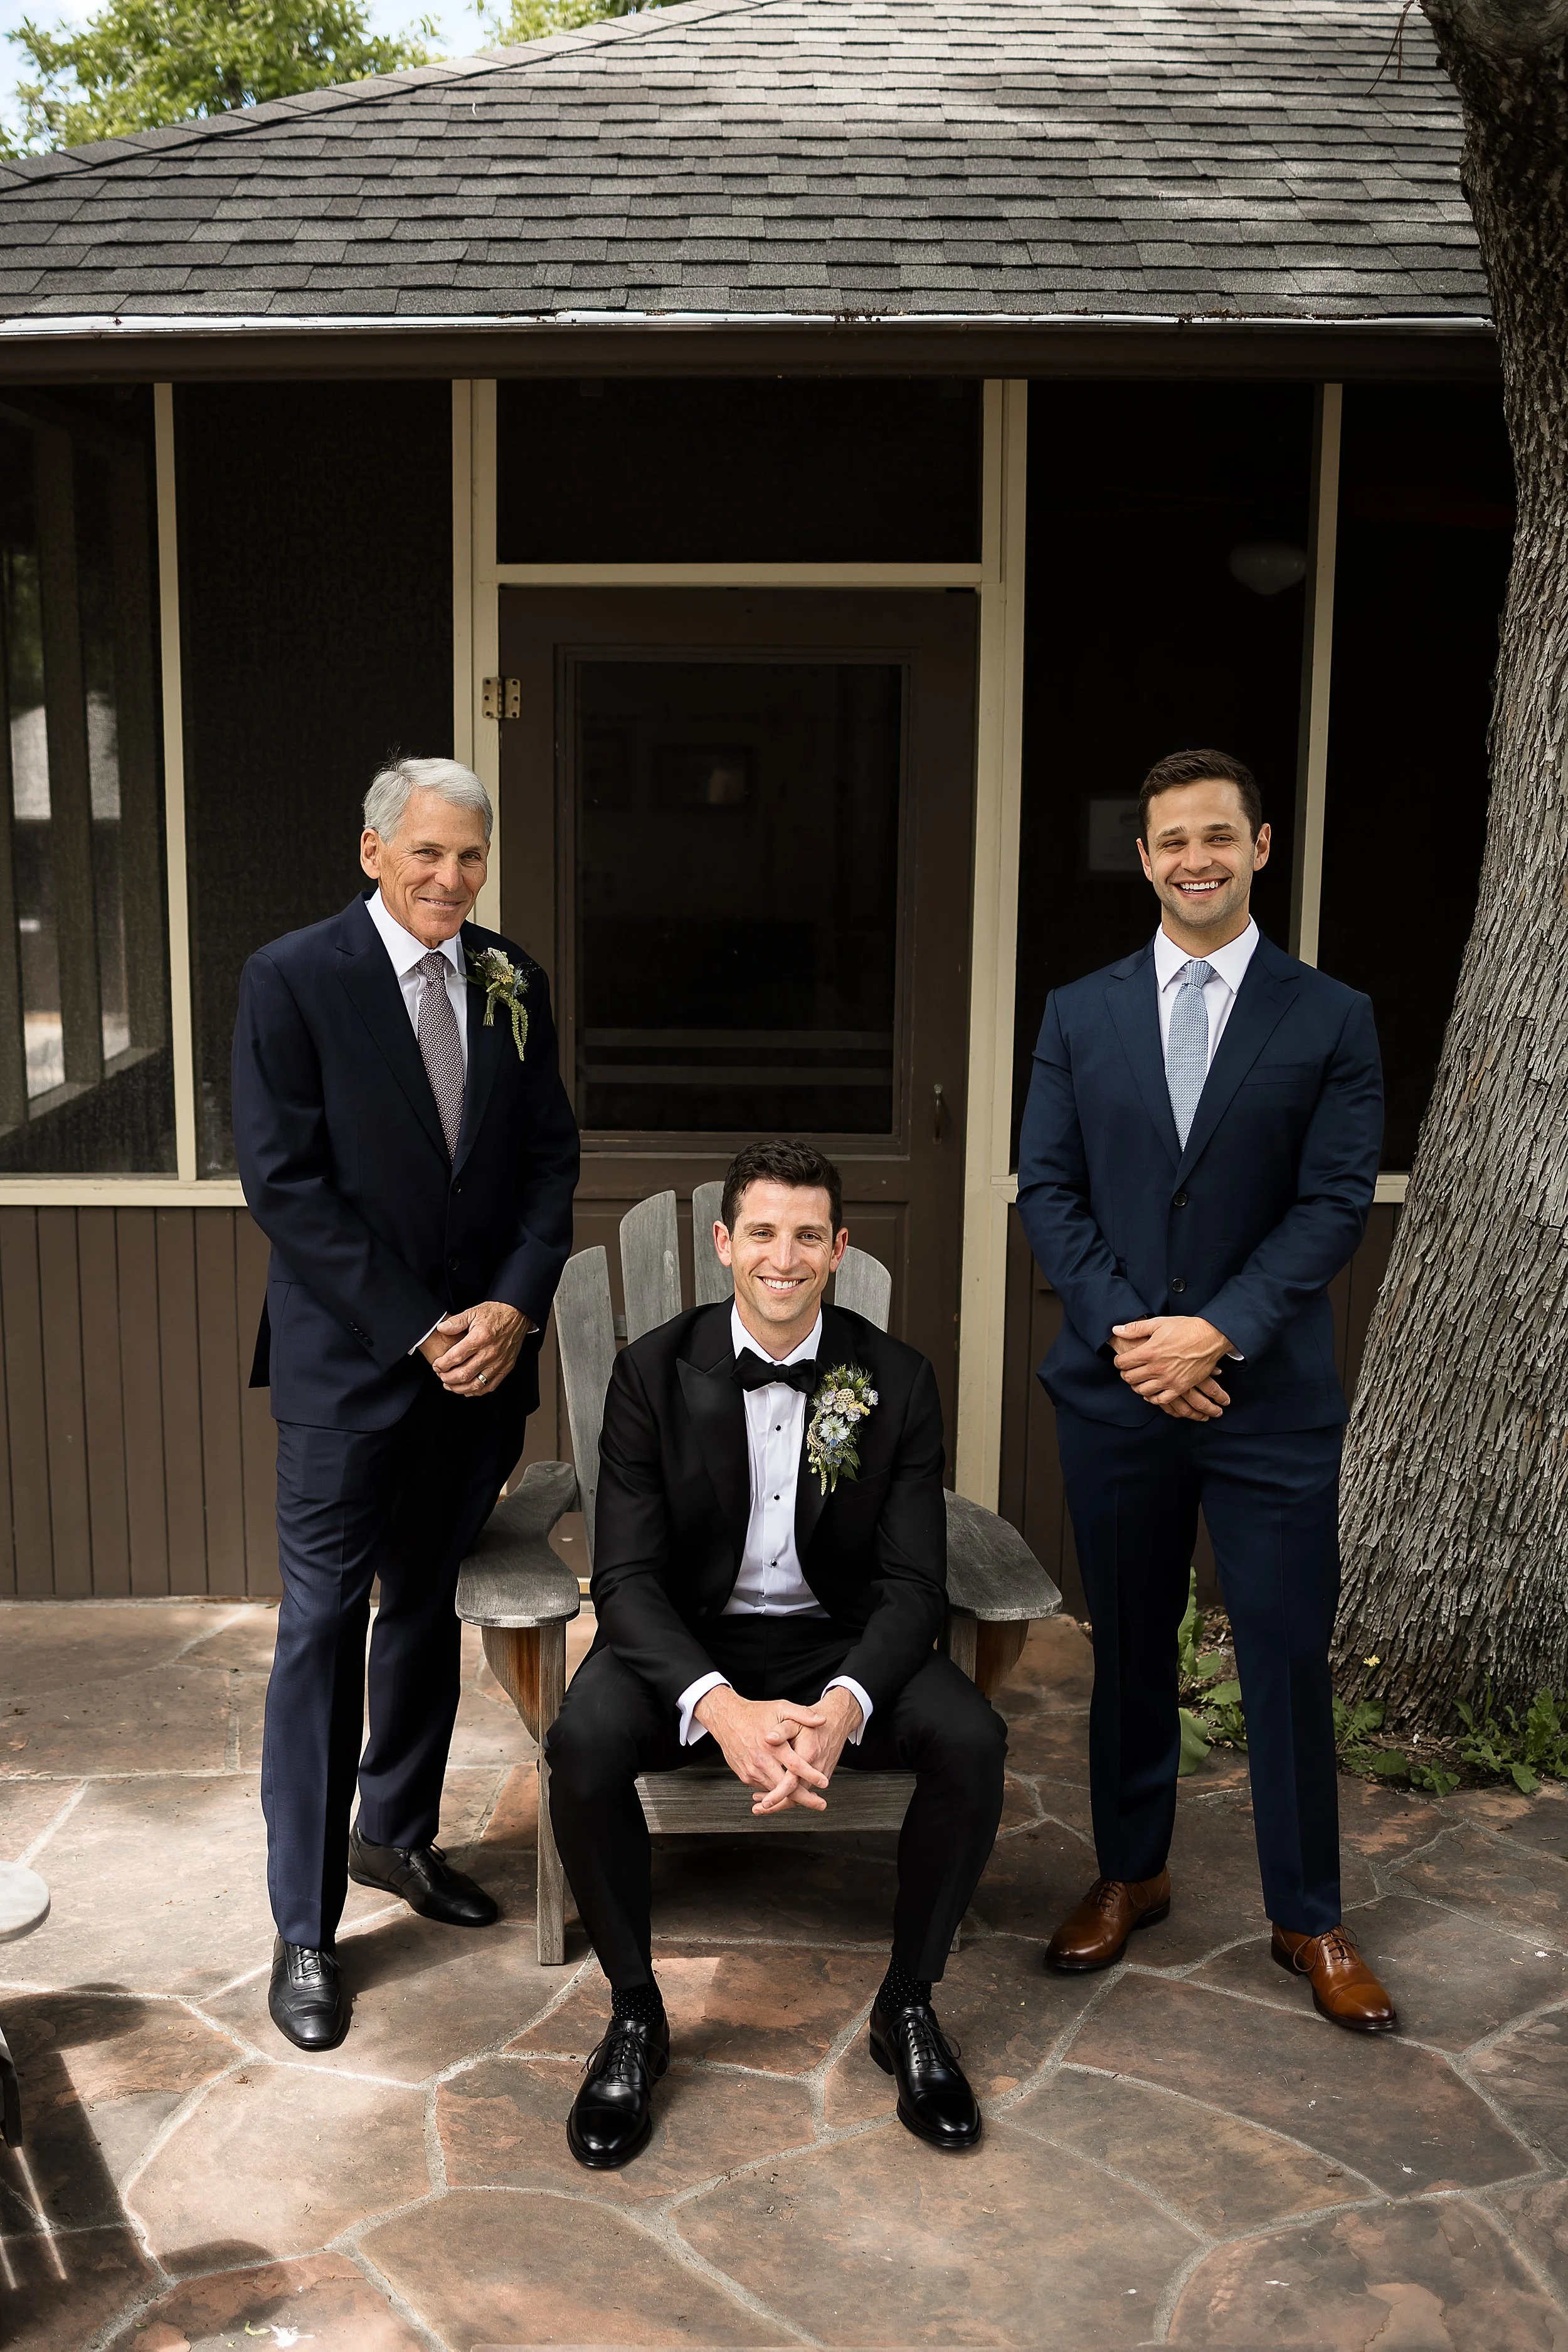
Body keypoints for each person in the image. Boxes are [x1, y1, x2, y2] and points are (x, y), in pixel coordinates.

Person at [1015, 748, 1398, 2033]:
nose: (1195, 859)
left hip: (1267, 1402)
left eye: (1217, 837)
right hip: (1118, 1391)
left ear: (1260, 845)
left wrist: (1216, 1336)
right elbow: (1050, 1191)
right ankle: (1130, 1872)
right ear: (1142, 857)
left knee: (1284, 1653)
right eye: (1172, 840)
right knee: (1125, 1645)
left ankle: (1307, 1913)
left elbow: (1333, 1201)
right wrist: (1142, 1338)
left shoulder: (1329, 1015)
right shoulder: (1077, 1011)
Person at [545, 1138, 1007, 2168]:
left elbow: (914, 1587)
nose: (783, 1257)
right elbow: (623, 1582)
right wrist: (720, 1706)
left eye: (808, 1235)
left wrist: (843, 1704)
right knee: (580, 1740)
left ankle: (909, 2003)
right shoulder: (651, 1372)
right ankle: (634, 2011)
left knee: (972, 1738)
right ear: (724, 1244)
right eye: (762, 1232)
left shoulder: (897, 1379)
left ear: (839, 1248)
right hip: (689, 1639)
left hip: (834, 1638)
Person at [233, 756, 580, 2053]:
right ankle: (306, 1924)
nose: (450, 879)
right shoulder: (293, 978)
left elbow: (549, 1159)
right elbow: (284, 1181)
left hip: (478, 1371)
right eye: (427, 854)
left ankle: (395, 1837)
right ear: (374, 850)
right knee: (322, 1626)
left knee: (423, 1606)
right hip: (351, 1369)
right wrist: (414, 1326)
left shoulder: (511, 980)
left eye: (470, 858)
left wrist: (509, 1307)